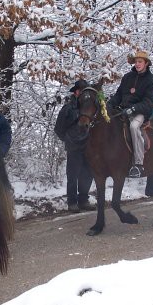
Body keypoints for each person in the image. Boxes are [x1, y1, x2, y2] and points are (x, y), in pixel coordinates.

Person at [109, 50, 153, 178]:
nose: (137, 64)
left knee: (133, 127)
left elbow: (148, 103)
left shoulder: (151, 81)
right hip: (123, 110)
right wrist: (109, 105)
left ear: (146, 63)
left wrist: (132, 109)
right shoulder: (127, 77)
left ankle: (138, 164)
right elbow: (118, 95)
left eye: (140, 62)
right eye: (136, 62)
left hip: (140, 113)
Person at [54, 79, 95, 213]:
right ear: (76, 92)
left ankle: (83, 200)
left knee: (87, 174)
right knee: (73, 175)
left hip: (88, 145)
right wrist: (68, 139)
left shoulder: (89, 107)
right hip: (73, 147)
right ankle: (72, 202)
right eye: (82, 91)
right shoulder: (67, 109)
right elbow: (59, 128)